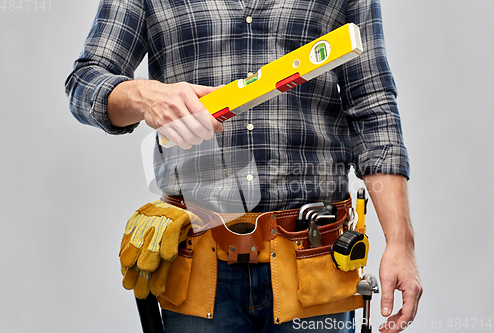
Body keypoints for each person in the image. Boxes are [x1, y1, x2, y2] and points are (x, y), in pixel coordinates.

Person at [65, 0, 422, 332]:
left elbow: (372, 106)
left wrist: (400, 243)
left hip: (314, 258)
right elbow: (85, 82)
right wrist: (143, 95)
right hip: (197, 263)